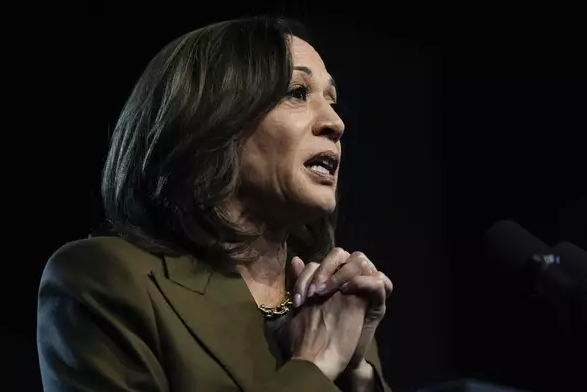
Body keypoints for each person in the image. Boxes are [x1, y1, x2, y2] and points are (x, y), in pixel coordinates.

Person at [37, 15, 393, 392]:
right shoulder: (107, 279)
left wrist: (359, 374)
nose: (335, 123)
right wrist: (314, 366)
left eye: (332, 101)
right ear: (212, 120)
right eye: (297, 93)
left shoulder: (332, 303)